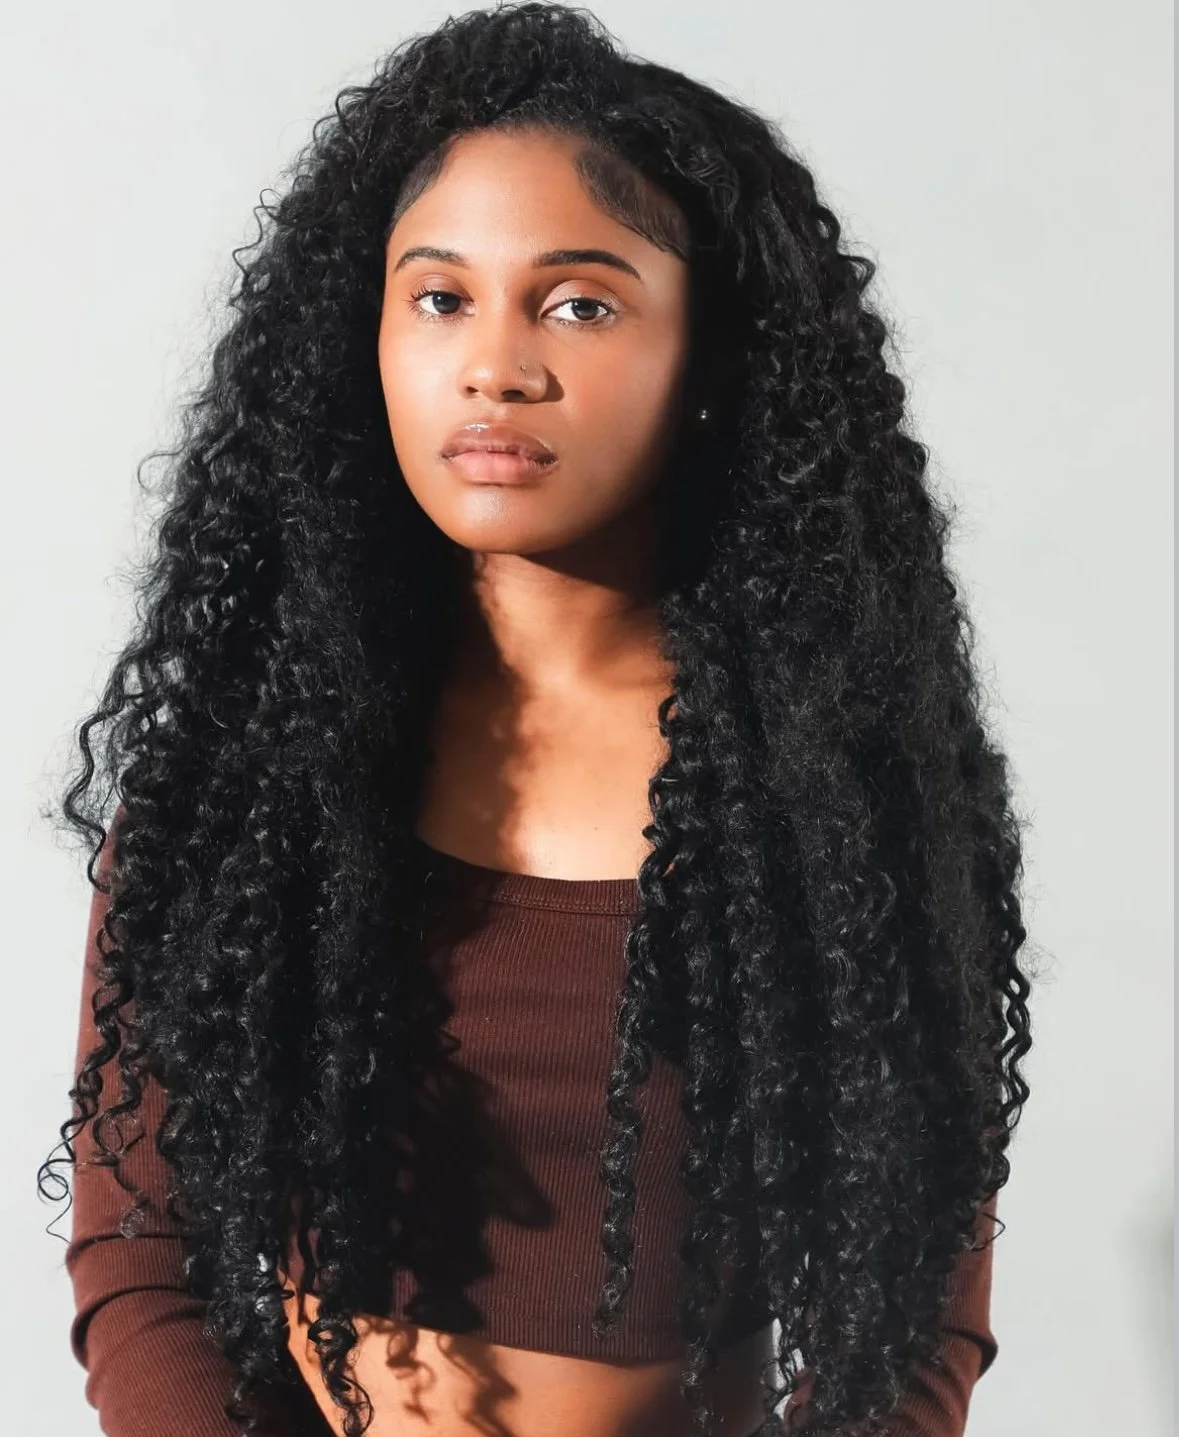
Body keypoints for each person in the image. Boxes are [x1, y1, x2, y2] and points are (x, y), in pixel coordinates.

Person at [39, 5, 1033, 1435]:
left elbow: (914, 1319)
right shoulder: (250, 777)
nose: (495, 365)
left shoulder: (832, 800)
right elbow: (139, 1264)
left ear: (710, 359)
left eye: (579, 304)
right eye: (440, 298)